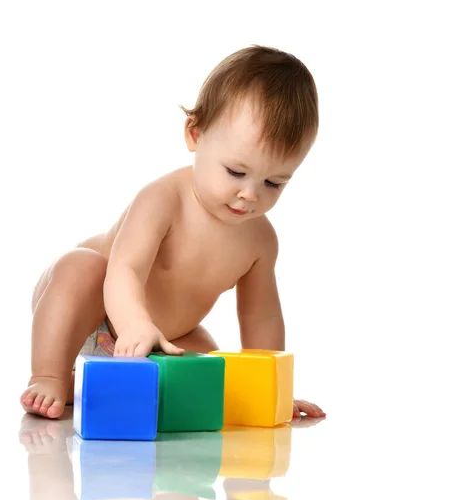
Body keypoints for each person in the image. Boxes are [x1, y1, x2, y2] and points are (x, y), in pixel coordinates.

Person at [21, 45, 327, 420]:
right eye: (235, 172)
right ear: (195, 134)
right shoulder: (163, 199)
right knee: (81, 267)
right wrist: (134, 324)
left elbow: (260, 318)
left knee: (213, 368)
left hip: (161, 337)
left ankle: (87, 386)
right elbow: (125, 269)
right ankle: (51, 375)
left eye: (274, 183)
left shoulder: (260, 240)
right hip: (91, 316)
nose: (250, 194)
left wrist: (275, 391)